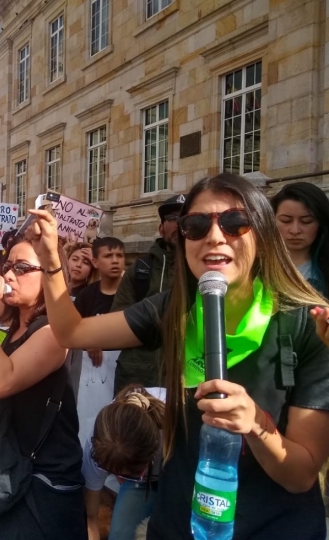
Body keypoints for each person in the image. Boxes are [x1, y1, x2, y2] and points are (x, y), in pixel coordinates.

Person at [30, 173, 329, 539]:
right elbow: (71, 332)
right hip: (178, 524)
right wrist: (50, 260)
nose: (215, 237)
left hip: (274, 526)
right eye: (197, 226)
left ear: (263, 233)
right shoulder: (174, 308)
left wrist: (255, 425)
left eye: (236, 223)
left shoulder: (308, 322)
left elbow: (300, 476)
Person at [0, 238, 86, 540]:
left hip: (43, 482)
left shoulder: (52, 331)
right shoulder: (19, 328)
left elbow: (0, 384)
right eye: (8, 266)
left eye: (22, 268)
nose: (8, 276)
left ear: (49, 275)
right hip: (11, 470)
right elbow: (14, 385)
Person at [109, 194, 183, 394]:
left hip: (183, 376)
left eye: (185, 218)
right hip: (137, 375)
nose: (178, 225)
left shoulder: (201, 269)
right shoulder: (140, 269)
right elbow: (119, 319)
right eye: (173, 219)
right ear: (161, 228)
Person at [84, 386, 165, 540]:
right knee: (120, 536)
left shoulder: (175, 428)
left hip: (182, 473)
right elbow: (90, 518)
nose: (119, 479)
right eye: (113, 472)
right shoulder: (101, 441)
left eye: (128, 475)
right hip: (142, 481)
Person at [75, 237, 126, 368]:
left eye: (119, 255)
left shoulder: (135, 293)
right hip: (93, 375)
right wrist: (88, 341)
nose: (115, 261)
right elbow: (73, 330)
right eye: (108, 256)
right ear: (95, 262)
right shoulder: (86, 296)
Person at [272, 182, 329, 297]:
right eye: (286, 220)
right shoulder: (256, 267)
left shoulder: (324, 273)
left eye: (306, 221)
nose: (295, 230)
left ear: (321, 223)